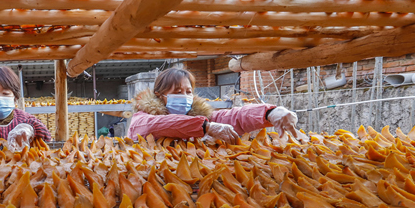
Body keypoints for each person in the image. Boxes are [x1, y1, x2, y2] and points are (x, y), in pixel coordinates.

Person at [127, 68, 299, 143]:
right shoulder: (141, 119)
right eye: (178, 92)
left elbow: (232, 116)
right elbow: (157, 125)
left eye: (188, 92)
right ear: (160, 95)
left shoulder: (200, 115)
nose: (185, 97)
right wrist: (205, 127)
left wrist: (270, 112)